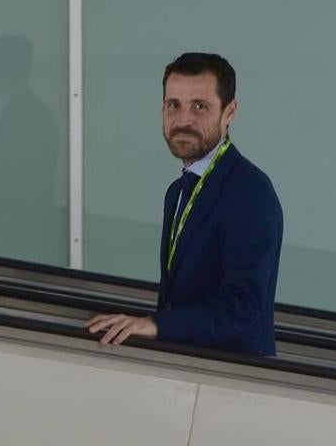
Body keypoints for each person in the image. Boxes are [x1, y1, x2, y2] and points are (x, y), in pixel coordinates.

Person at [86, 52, 283, 356]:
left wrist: (157, 325)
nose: (183, 120)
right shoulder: (178, 190)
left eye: (200, 107)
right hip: (189, 367)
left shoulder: (250, 191)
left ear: (229, 112)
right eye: (173, 105)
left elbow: (242, 305)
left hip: (236, 379)